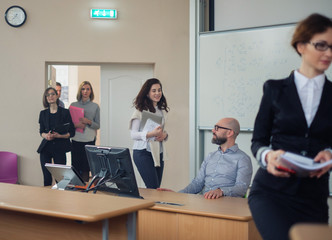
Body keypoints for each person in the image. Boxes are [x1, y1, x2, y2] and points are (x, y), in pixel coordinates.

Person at [249, 13, 332, 240]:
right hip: (271, 192)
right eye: (321, 45)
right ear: (301, 45)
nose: (329, 53)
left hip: (313, 198)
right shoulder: (274, 89)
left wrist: (330, 153)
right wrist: (268, 156)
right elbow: (258, 141)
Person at [159, 117, 252, 199]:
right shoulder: (210, 156)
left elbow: (241, 188)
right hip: (205, 203)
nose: (213, 130)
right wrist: (178, 195)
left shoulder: (242, 159)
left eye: (217, 128)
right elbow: (197, 183)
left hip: (227, 205)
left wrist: (221, 191)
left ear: (229, 133)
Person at [129, 78, 169, 189]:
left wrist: (164, 136)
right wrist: (151, 133)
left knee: (157, 189)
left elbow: (162, 132)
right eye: (154, 91)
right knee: (153, 187)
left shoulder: (161, 110)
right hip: (143, 152)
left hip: (158, 152)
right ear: (147, 93)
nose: (157, 93)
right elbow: (133, 134)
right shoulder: (140, 110)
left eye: (159, 90)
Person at [37, 87, 75, 186]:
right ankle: (46, 200)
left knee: (60, 179)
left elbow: (72, 132)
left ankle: (59, 199)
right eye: (48, 95)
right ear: (46, 98)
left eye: (53, 94)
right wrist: (46, 136)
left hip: (60, 148)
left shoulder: (65, 112)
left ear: (57, 95)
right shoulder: (43, 113)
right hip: (46, 148)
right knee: (47, 178)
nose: (50, 96)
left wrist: (59, 136)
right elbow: (41, 131)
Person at [70, 81, 100, 182]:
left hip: (89, 140)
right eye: (83, 89)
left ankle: (84, 192)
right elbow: (68, 124)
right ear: (80, 91)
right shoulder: (73, 105)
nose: (85, 91)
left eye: (88, 89)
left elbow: (98, 125)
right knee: (75, 167)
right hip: (76, 139)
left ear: (91, 91)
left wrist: (88, 121)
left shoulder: (95, 106)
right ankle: (76, 190)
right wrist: (76, 125)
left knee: (86, 168)